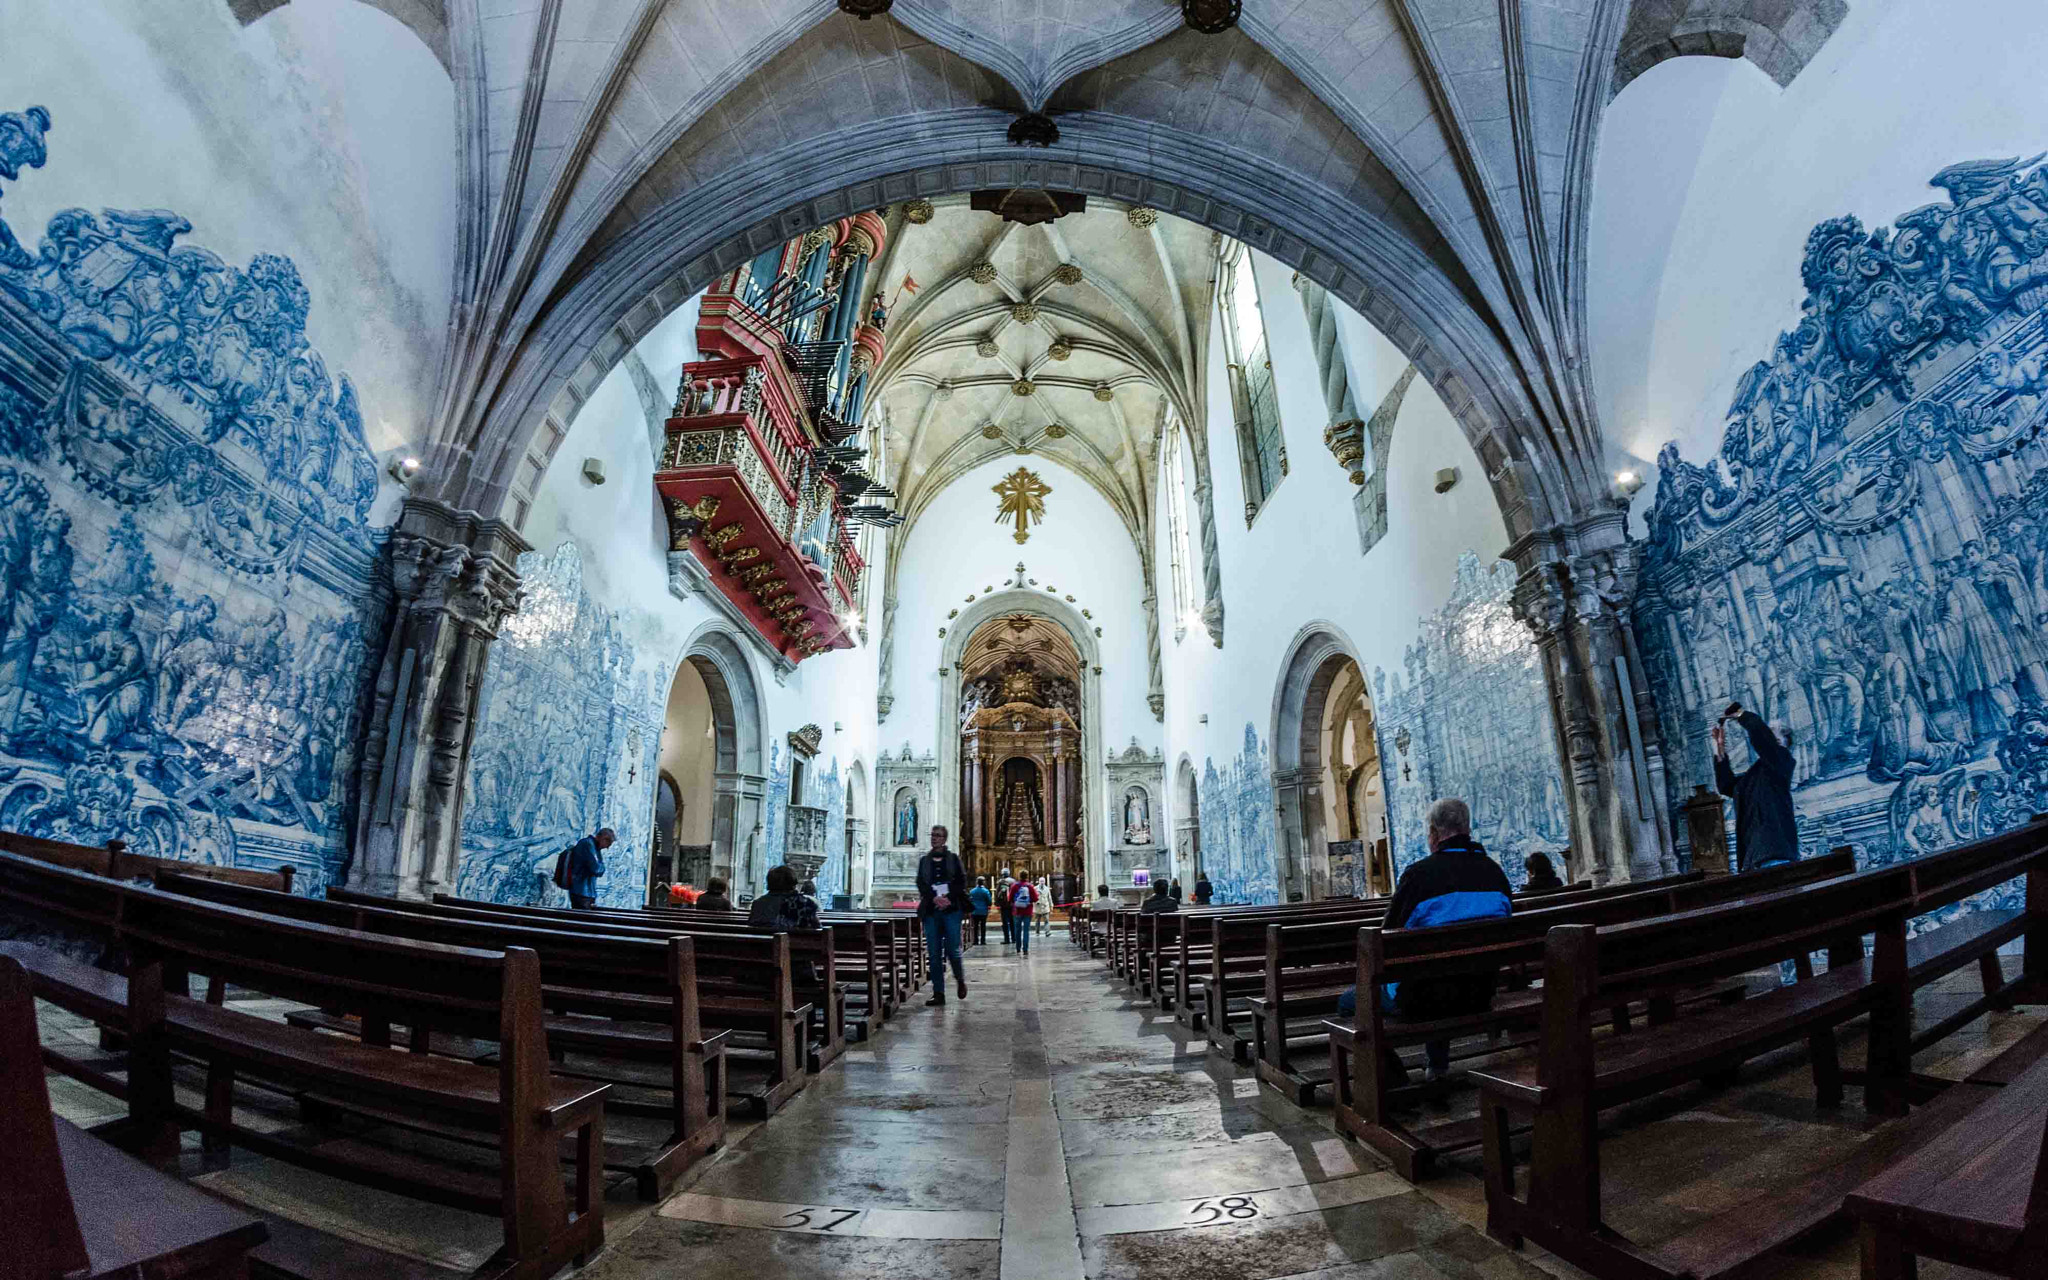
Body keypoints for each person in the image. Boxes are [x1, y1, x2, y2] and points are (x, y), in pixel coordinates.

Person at [1335, 798, 1511, 1081]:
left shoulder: (1419, 876)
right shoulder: (1494, 873)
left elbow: (1385, 940)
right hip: (1481, 992)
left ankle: (1395, 1080)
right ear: (1467, 828)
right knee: (1442, 972)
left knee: (1349, 1002)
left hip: (1423, 1001)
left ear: (1433, 833)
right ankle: (1436, 1068)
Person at [1713, 702, 1800, 870]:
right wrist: (1720, 747)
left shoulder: (1783, 762)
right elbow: (1727, 786)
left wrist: (1740, 713)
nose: (1767, 737)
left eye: (1772, 737)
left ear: (1781, 743)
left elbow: (1761, 735)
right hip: (1753, 856)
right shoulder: (1758, 774)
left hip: (1775, 854)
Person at [917, 826, 970, 1004]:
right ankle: (938, 993)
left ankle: (960, 980)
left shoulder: (953, 859)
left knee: (953, 951)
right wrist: (934, 898)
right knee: (933, 953)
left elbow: (961, 881)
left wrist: (947, 898)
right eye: (932, 835)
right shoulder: (924, 860)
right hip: (931, 911)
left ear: (944, 839)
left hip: (951, 910)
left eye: (938, 835)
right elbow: (921, 883)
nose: (934, 838)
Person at [748, 864, 820, 932]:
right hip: (795, 944)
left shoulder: (758, 903)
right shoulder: (804, 903)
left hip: (761, 944)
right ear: (793, 883)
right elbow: (817, 929)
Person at [566, 828, 614, 909]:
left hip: (586, 892)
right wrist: (601, 866)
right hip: (582, 892)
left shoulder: (593, 847)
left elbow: (598, 868)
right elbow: (597, 869)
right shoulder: (588, 844)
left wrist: (600, 866)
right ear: (604, 839)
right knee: (582, 918)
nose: (606, 848)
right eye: (607, 845)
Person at [1007, 874, 1038, 954]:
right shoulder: (1030, 886)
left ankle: (1018, 948)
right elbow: (1035, 898)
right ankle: (1025, 949)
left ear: (1019, 877)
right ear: (1027, 877)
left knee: (1017, 930)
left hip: (1017, 911)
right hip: (1027, 910)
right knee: (1026, 930)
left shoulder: (1014, 886)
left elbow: (1010, 898)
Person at [968, 878, 992, 946]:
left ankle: (975, 941)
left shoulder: (972, 891)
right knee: (983, 926)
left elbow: (969, 900)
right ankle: (983, 941)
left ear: (976, 882)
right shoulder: (985, 891)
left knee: (975, 926)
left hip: (974, 911)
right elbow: (989, 901)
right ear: (983, 882)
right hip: (983, 911)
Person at [996, 867, 1017, 949]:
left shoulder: (1001, 882)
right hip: (1012, 904)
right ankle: (1014, 938)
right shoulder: (1013, 881)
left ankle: (1007, 939)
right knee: (1012, 922)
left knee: (1005, 923)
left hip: (1004, 905)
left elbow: (998, 893)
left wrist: (998, 903)